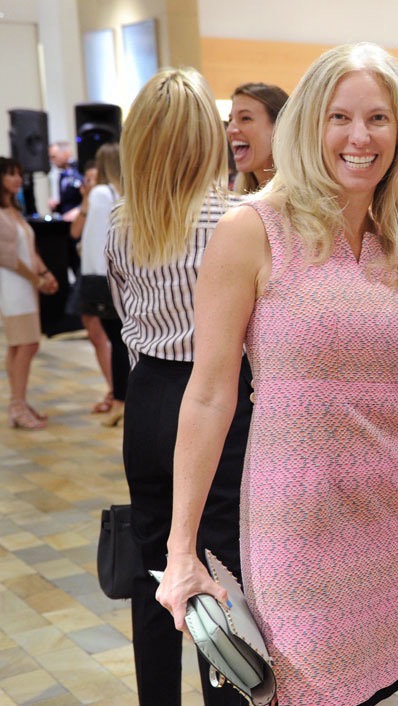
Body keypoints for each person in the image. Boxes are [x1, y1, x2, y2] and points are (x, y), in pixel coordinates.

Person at [155, 44, 398, 706]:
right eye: (339, 117)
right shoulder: (252, 228)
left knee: (374, 690)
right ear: (309, 124)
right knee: (297, 688)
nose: (359, 137)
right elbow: (206, 395)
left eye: (378, 118)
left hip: (390, 513)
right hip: (298, 517)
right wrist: (182, 550)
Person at [105, 67, 250, 706]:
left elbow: (124, 317)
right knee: (220, 562)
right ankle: (226, 694)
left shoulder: (121, 220)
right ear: (204, 136)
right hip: (223, 397)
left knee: (152, 561)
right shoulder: (239, 217)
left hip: (149, 394)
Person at [0, 157, 58, 430]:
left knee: (21, 344)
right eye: (10, 174)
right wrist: (36, 279)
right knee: (26, 343)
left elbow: (29, 250)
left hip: (24, 284)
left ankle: (19, 402)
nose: (16, 179)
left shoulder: (13, 209)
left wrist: (45, 274)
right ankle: (17, 405)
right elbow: (8, 256)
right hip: (12, 285)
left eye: (18, 174)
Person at [78, 143, 128, 426]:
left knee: (114, 339)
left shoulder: (99, 194)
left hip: (99, 275)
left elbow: (94, 236)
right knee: (120, 338)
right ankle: (120, 397)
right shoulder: (121, 194)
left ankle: (119, 398)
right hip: (115, 274)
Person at [227, 82, 289, 194]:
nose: (230, 130)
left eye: (245, 118)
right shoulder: (237, 197)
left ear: (279, 127)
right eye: (230, 120)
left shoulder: (305, 201)